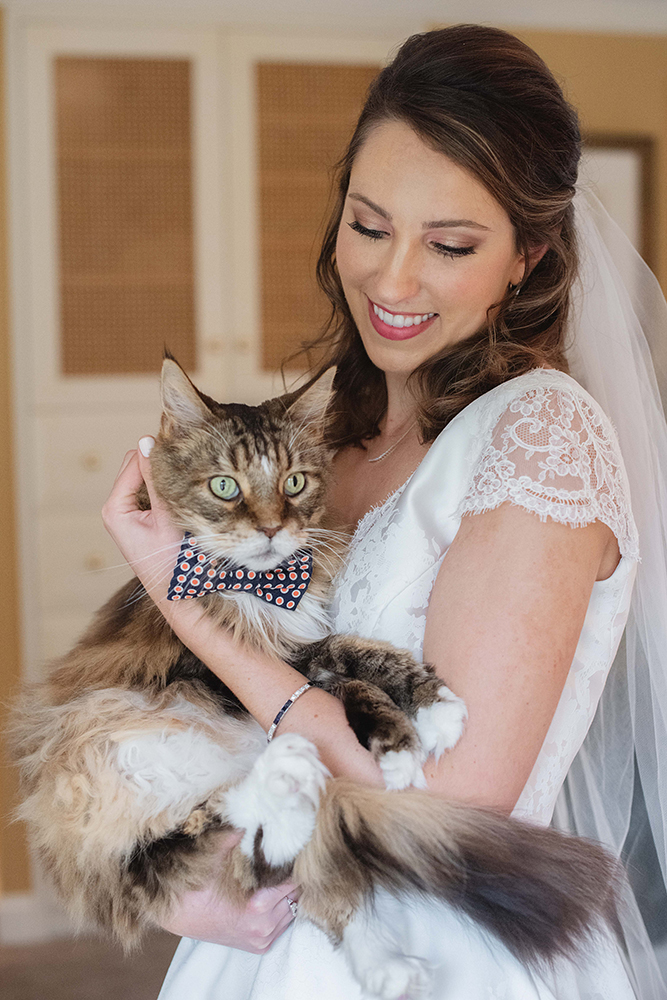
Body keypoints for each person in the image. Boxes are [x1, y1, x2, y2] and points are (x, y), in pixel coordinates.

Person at [102, 25, 667, 1000]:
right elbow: (180, 712)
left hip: (445, 954)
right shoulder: (326, 441)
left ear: (528, 258)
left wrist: (186, 590)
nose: (392, 280)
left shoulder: (540, 437)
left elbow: (452, 801)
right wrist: (158, 872)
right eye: (368, 226)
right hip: (265, 941)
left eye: (449, 244)